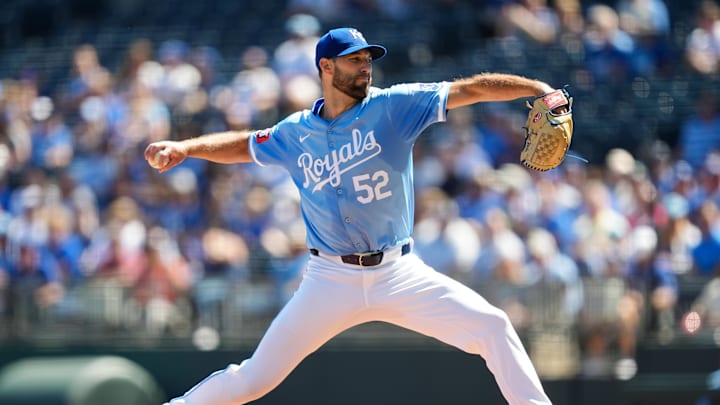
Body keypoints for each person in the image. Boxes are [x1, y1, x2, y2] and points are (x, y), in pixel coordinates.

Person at [146, 27, 555, 405]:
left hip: (399, 273)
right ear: (326, 66)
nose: (365, 67)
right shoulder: (295, 132)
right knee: (253, 379)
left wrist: (538, 89)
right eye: (354, 60)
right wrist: (186, 149)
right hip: (329, 280)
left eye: (367, 60)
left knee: (493, 326)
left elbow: (471, 89)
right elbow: (244, 145)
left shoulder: (395, 106)